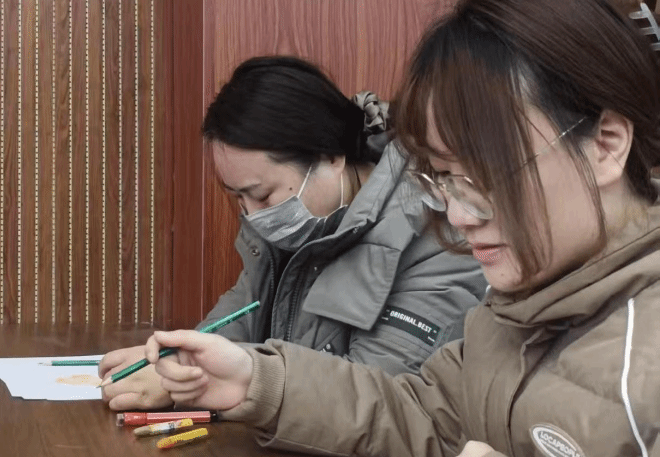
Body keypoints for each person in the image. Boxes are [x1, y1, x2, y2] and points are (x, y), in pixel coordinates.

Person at [141, 1, 660, 456]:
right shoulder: (514, 311)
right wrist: (257, 381)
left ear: (606, 145)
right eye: (446, 179)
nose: (459, 217)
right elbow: (423, 411)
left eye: (486, 174)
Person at [99, 56, 487, 411]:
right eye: (238, 198)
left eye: (262, 195)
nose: (253, 216)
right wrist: (179, 363)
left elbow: (382, 401)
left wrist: (208, 384)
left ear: (331, 157)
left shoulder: (440, 234)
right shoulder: (297, 222)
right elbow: (239, 316)